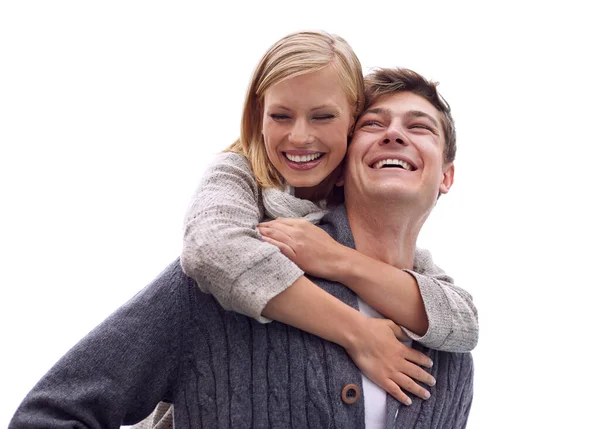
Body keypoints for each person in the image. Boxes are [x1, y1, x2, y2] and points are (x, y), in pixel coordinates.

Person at [9, 67, 475, 428]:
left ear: (447, 176)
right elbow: (50, 413)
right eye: (374, 124)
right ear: (340, 161)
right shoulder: (237, 275)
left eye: (420, 128)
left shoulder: (452, 358)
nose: (395, 134)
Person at [174, 29, 477, 404]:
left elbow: (465, 321)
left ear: (347, 130)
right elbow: (212, 249)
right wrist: (358, 333)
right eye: (281, 116)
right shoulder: (244, 193)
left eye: (322, 117)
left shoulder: (388, 262)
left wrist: (337, 259)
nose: (300, 137)